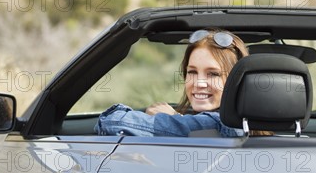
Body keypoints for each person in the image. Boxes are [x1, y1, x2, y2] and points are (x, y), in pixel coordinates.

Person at [95, 29, 250, 138]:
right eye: (192, 72)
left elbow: (112, 122)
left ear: (236, 80)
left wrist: (173, 118)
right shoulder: (245, 124)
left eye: (214, 74)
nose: (199, 83)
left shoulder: (221, 125)